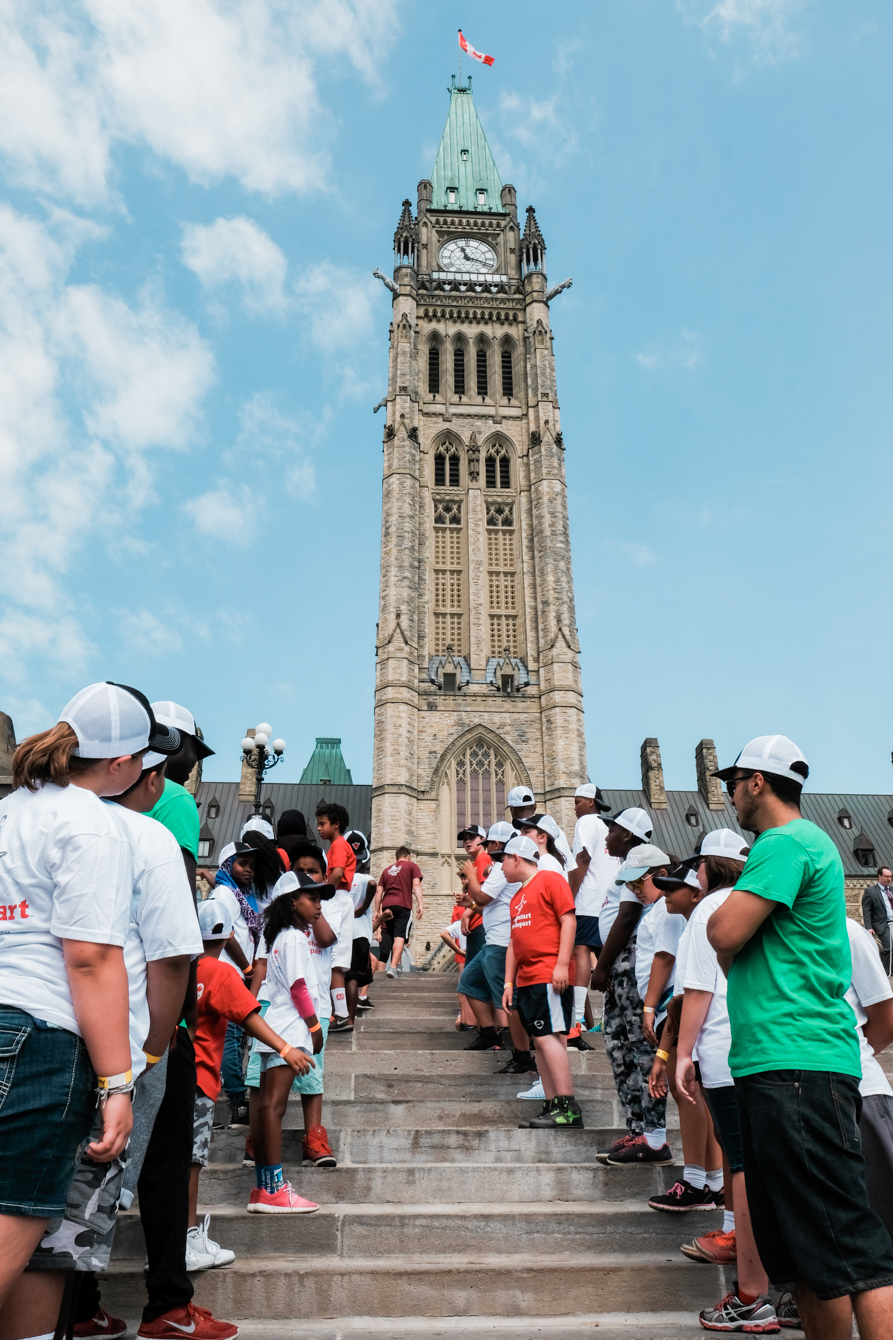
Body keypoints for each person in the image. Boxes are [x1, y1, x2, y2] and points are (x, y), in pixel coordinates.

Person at [0, 684, 179, 1321]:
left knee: (31, 1258)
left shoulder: (11, 809)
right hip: (43, 1042)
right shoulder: (93, 823)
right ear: (124, 763)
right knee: (17, 1240)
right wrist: (119, 1083)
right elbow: (90, 959)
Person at [708, 735, 893, 1339]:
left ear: (757, 782)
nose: (731, 794)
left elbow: (724, 931)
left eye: (735, 782)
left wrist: (724, 926)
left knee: (852, 1248)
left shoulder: (786, 843)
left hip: (799, 1065)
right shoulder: (789, 847)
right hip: (775, 1065)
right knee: (806, 1260)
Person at [672, 831, 782, 1333]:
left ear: (708, 866)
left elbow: (697, 988)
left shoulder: (710, 909)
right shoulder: (760, 902)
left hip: (723, 1049)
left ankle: (750, 1291)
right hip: (771, 1048)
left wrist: (681, 1052)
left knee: (742, 1162)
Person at [644, 861, 724, 1215]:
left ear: (696, 891)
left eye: (672, 888)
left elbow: (684, 1000)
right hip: (700, 1029)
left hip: (705, 1029)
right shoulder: (696, 921)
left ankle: (695, 1181)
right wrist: (664, 1054)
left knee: (689, 1094)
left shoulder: (699, 923)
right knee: (697, 1098)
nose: (664, 894)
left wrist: (674, 1055)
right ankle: (715, 1181)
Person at [249, 872, 330, 1212]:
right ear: (292, 902)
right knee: (274, 1107)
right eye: (311, 899)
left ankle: (264, 1187)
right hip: (291, 1028)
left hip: (276, 1025)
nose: (318, 905)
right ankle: (274, 1189)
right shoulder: (294, 938)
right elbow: (299, 986)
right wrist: (314, 1027)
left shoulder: (280, 936)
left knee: (268, 1106)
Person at [499, 835, 582, 1129]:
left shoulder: (550, 879)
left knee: (549, 1037)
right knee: (540, 1041)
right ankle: (551, 1105)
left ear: (517, 859)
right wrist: (509, 984)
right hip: (527, 979)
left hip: (549, 974)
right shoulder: (517, 896)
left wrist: (561, 965)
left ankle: (567, 1106)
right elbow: (513, 943)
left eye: (503, 860)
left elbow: (569, 920)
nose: (501, 867)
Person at [458, 821, 532, 1063]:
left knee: (508, 999)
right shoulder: (502, 868)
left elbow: (482, 897)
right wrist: (468, 905)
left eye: (487, 843)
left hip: (501, 943)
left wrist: (470, 877)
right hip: (493, 942)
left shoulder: (501, 868)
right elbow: (484, 904)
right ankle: (490, 1035)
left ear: (496, 844)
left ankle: (523, 1054)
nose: (485, 848)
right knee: (469, 981)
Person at [213, 840, 260, 1125]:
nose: (249, 871)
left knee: (237, 1038)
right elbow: (225, 934)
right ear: (227, 865)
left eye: (252, 867)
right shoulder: (224, 893)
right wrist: (247, 967)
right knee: (230, 1037)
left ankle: (235, 1093)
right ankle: (237, 1099)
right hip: (229, 972)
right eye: (243, 865)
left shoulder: (241, 896)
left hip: (238, 976)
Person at [568, 784, 617, 1039]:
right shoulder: (609, 825)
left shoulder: (586, 822)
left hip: (589, 898)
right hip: (610, 902)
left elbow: (583, 859)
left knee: (580, 951)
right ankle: (611, 1016)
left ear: (589, 802)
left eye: (577, 801)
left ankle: (577, 1019)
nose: (574, 807)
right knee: (607, 958)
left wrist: (570, 894)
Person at [315, 802, 356, 1022]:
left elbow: (338, 872)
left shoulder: (339, 845)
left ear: (336, 824)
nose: (319, 828)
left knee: (334, 959)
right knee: (335, 959)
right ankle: (337, 1011)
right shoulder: (336, 845)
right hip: (340, 899)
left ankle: (339, 1013)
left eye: (323, 824)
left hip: (337, 898)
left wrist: (322, 894)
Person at [376, 846, 424, 977]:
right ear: (408, 857)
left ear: (396, 858)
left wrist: (376, 911)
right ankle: (393, 967)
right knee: (399, 936)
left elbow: (379, 891)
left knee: (390, 934)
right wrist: (420, 904)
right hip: (403, 905)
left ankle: (396, 966)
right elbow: (416, 885)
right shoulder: (412, 866)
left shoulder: (386, 871)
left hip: (387, 906)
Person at [344, 830, 376, 1021]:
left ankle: (339, 1015)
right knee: (354, 977)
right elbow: (373, 883)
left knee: (342, 976)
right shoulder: (363, 878)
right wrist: (364, 907)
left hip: (343, 933)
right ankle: (350, 1018)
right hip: (360, 935)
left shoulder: (342, 879)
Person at [505, 785, 573, 866]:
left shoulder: (512, 833)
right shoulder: (558, 831)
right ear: (535, 805)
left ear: (512, 809)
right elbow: (571, 868)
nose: (522, 834)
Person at [863, 867, 893, 976]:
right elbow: (867, 910)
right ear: (879, 876)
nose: (889, 879)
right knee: (888, 948)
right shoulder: (870, 891)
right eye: (886, 876)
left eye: (890, 876)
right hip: (883, 925)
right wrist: (868, 927)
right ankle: (886, 975)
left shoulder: (892, 890)